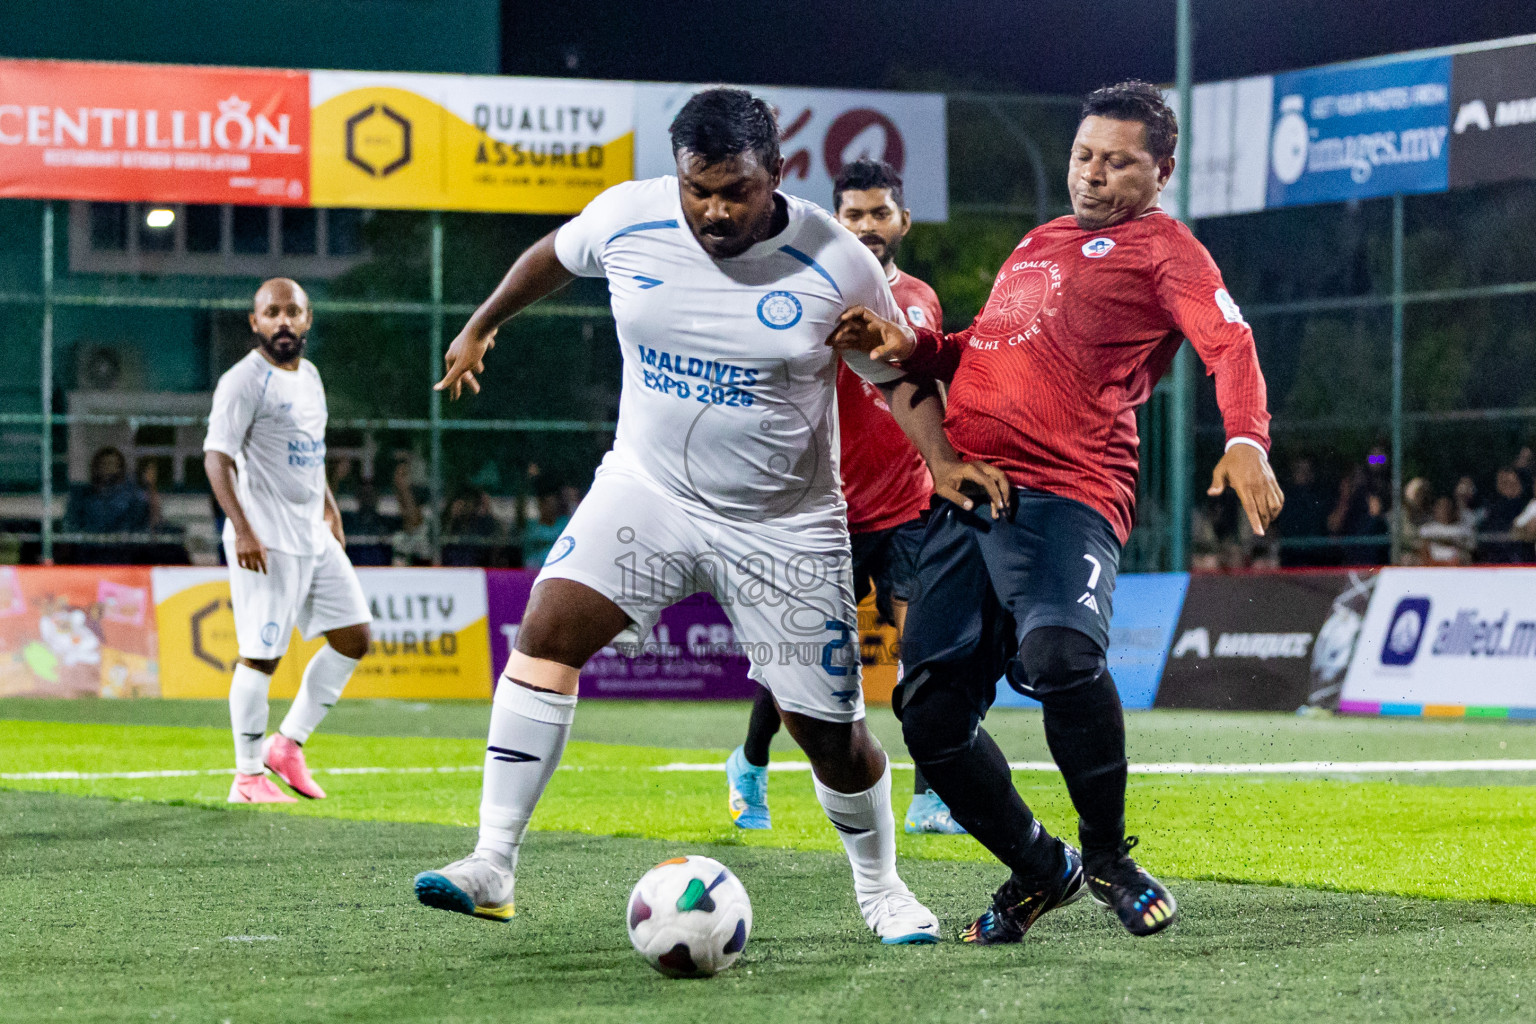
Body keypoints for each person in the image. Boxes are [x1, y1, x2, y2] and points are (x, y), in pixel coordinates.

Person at [412, 88, 939, 945]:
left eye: (735, 189)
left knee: (827, 733)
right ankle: (493, 862)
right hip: (647, 490)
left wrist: (944, 462)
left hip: (783, 523)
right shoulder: (629, 215)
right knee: (545, 632)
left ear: (778, 172)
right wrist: (481, 325)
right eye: (699, 188)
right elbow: (554, 251)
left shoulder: (839, 259)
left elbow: (894, 379)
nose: (714, 209)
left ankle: (882, 891)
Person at [830, 81, 1281, 943]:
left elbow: (1230, 340)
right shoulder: (1038, 242)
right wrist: (916, 346)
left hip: (1070, 489)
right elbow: (991, 345)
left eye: (1118, 162)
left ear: (1162, 170)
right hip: (968, 491)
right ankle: (1040, 868)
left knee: (1063, 653)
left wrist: (1247, 438)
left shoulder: (1166, 250)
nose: (1093, 176)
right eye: (1083, 157)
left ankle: (1108, 854)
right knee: (926, 716)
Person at [725, 158, 963, 837]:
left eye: (879, 213)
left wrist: (951, 461)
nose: (867, 226)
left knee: (927, 654)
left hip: (911, 505)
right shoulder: (805, 293)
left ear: (902, 221)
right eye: (853, 214)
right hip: (825, 511)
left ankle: (932, 797)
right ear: (835, 221)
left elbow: (925, 385)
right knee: (796, 661)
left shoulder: (921, 297)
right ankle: (750, 764)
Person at [203, 278, 374, 804]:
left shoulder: (311, 376)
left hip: (312, 535)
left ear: (307, 319)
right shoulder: (243, 381)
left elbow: (311, 451)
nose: (283, 321)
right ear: (254, 322)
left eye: (292, 312)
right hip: (267, 542)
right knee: (261, 656)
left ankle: (288, 745)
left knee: (355, 637)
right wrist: (245, 529)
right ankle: (248, 776)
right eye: (271, 312)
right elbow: (217, 458)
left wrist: (329, 505)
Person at [1478, 467, 1530, 564]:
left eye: (1513, 484)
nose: (1509, 488)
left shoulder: (1529, 508)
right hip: (1495, 562)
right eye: (1505, 483)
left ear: (1521, 486)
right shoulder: (1491, 509)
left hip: (1524, 562)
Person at [1416, 494, 1473, 566]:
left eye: (1447, 507)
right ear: (1435, 509)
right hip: (1432, 565)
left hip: (1456, 565)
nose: (1444, 510)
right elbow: (1422, 550)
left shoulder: (1463, 530)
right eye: (1441, 507)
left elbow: (1469, 549)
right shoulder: (1426, 529)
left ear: (1453, 509)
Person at [520, 488, 570, 569]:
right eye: (548, 504)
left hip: (560, 569)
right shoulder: (532, 528)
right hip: (536, 571)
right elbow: (528, 555)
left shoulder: (564, 524)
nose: (551, 508)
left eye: (553, 505)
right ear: (540, 505)